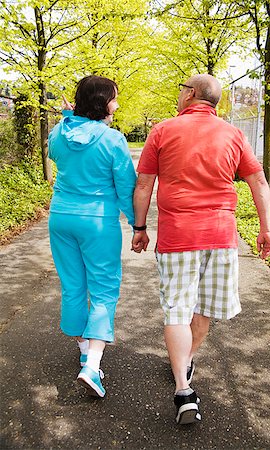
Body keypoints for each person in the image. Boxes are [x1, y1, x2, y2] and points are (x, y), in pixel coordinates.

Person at [131, 74, 270, 424]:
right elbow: (257, 180)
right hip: (221, 237)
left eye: (181, 89)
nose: (179, 95)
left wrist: (139, 228)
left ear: (190, 94)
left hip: (178, 235)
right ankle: (187, 359)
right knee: (204, 307)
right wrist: (266, 228)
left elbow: (144, 183)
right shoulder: (233, 133)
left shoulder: (163, 130)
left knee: (177, 308)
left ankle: (183, 387)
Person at [48, 75, 136, 398]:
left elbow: (57, 150)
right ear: (101, 102)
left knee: (73, 287)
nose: (116, 104)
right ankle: (92, 366)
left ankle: (85, 348)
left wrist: (68, 118)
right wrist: (138, 225)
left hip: (61, 218)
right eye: (113, 98)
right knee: (104, 289)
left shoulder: (59, 132)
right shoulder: (113, 140)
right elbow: (127, 188)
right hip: (97, 222)